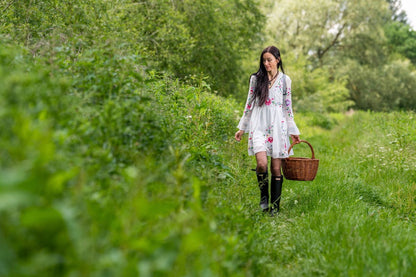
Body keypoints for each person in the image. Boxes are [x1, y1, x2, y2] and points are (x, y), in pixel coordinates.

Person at [235, 46, 300, 215]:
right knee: (262, 164)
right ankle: (264, 199)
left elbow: (288, 107)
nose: (266, 63)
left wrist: (293, 130)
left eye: (269, 60)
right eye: (264, 60)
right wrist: (242, 127)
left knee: (276, 169)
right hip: (259, 125)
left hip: (278, 126)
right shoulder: (256, 79)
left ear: (277, 60)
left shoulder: (286, 80)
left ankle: (275, 207)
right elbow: (249, 103)